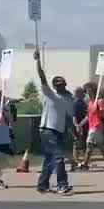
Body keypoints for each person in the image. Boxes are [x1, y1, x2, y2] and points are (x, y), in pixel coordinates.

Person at [34, 50, 78, 195]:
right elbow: (42, 76)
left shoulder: (67, 99)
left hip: (58, 131)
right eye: (58, 85)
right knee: (59, 157)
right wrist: (37, 60)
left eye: (63, 84)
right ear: (54, 86)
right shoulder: (50, 94)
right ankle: (62, 185)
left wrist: (73, 129)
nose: (61, 87)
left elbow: (69, 117)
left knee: (50, 159)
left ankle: (43, 185)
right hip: (47, 130)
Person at [82, 87, 104, 170]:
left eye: (90, 92)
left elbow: (103, 115)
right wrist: (80, 124)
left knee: (89, 144)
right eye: (87, 93)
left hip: (97, 126)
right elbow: (88, 116)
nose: (88, 94)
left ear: (94, 93)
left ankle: (85, 164)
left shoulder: (99, 101)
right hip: (91, 126)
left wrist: (101, 110)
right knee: (100, 146)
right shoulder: (90, 103)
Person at [71, 86, 89, 169]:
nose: (84, 94)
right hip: (78, 126)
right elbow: (73, 116)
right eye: (82, 92)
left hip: (83, 126)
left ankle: (82, 161)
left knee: (82, 144)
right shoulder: (75, 103)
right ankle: (76, 161)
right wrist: (77, 126)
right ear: (78, 93)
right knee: (77, 144)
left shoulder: (83, 103)